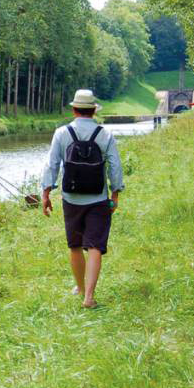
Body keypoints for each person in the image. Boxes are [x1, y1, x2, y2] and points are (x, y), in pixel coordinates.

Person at [40, 89, 124, 308]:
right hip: (98, 198)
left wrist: (46, 192)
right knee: (95, 246)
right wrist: (115, 193)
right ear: (94, 110)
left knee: (75, 245)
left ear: (74, 109)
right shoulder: (105, 134)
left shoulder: (61, 133)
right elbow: (115, 166)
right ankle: (89, 296)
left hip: (71, 197)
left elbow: (52, 164)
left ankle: (80, 287)